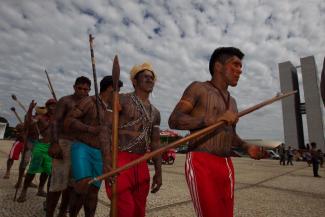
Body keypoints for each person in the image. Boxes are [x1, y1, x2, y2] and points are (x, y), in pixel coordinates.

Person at [168, 47, 265, 217]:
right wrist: (213, 119)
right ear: (218, 66)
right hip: (201, 161)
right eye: (235, 65)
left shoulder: (232, 102)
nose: (239, 71)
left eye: (241, 67)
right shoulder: (198, 88)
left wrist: (247, 146)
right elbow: (174, 119)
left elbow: (231, 136)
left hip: (226, 164)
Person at [105, 62, 162, 217]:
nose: (150, 80)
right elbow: (105, 130)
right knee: (124, 209)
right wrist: (107, 161)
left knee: (138, 211)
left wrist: (158, 170)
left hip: (141, 163)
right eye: (145, 77)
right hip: (120, 161)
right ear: (135, 82)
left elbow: (155, 143)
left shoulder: (155, 113)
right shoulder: (120, 99)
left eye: (152, 78)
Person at [64, 76, 122, 217]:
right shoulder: (89, 101)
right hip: (82, 147)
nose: (118, 94)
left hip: (100, 153)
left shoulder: (114, 110)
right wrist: (90, 129)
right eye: (117, 90)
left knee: (93, 192)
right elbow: (68, 120)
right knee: (83, 185)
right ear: (109, 88)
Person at [46, 76, 91, 217]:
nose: (82, 91)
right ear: (74, 87)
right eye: (80, 88)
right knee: (57, 183)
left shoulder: (89, 104)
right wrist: (54, 143)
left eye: (86, 89)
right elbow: (55, 122)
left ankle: (61, 213)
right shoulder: (65, 101)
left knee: (72, 186)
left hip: (81, 146)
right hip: (64, 143)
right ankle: (49, 214)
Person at [17, 99, 57, 202]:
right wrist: (30, 109)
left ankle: (40, 189)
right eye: (51, 106)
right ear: (47, 107)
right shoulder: (40, 117)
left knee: (47, 171)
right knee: (33, 169)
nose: (53, 107)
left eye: (55, 105)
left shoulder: (58, 119)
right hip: (40, 146)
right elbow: (29, 122)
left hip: (51, 147)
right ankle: (24, 191)